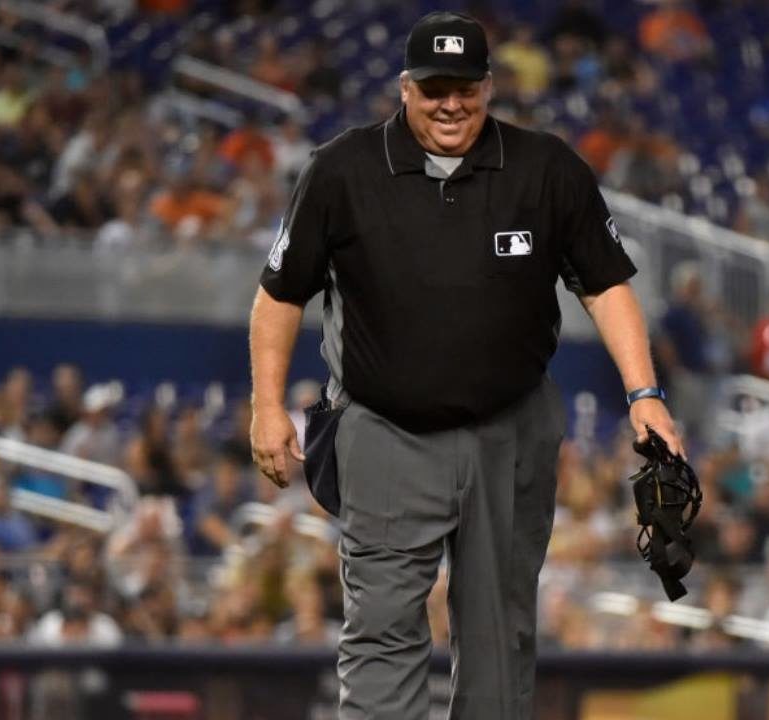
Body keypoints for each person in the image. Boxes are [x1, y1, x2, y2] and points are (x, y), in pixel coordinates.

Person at [248, 12, 683, 719]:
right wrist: (267, 405)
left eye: (466, 88)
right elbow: (278, 296)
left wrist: (644, 393)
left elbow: (604, 283)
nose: (451, 104)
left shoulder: (545, 169)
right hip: (386, 431)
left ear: (489, 86)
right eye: (435, 88)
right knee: (383, 628)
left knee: (499, 632)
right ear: (406, 89)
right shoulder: (342, 170)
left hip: (508, 433)